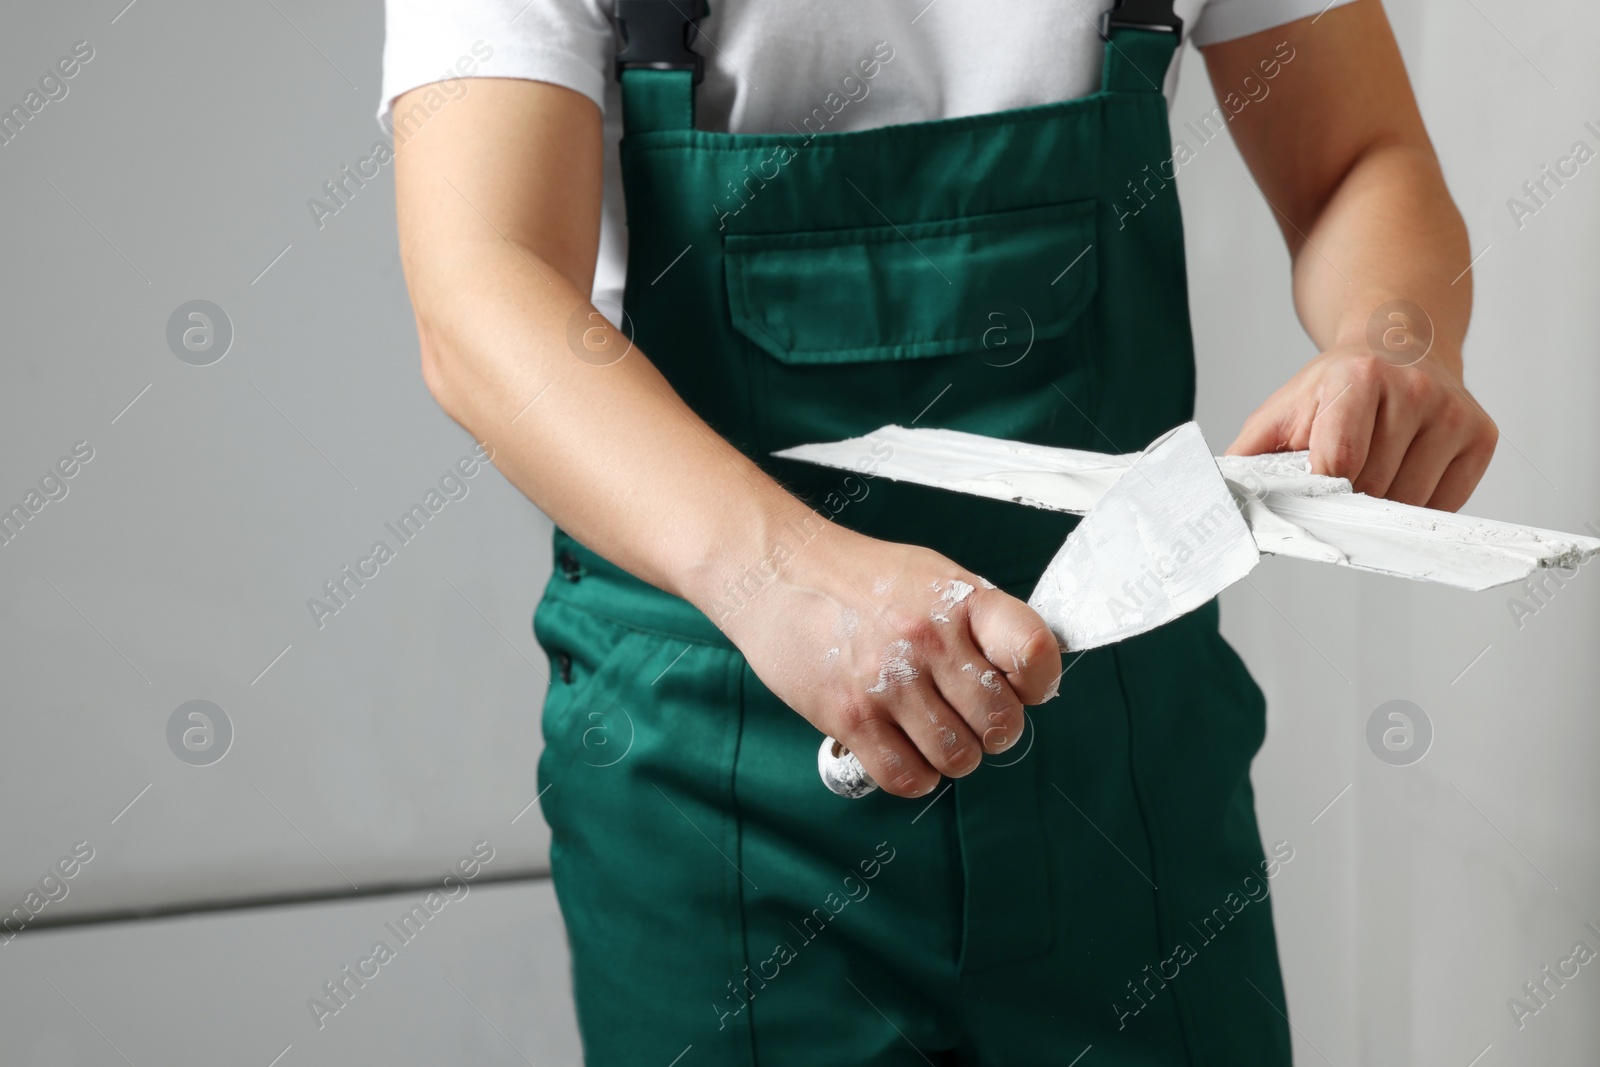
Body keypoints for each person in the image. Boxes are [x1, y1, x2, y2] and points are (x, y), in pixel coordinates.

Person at [383, 0, 1497, 1062]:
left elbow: (1359, 157)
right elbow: (484, 290)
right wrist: (785, 575)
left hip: (1123, 768)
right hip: (717, 767)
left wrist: (1394, 338)